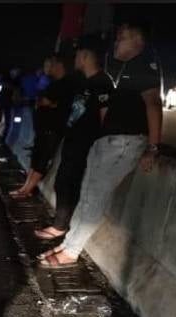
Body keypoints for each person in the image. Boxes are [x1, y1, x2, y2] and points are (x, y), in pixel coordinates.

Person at [38, 18, 163, 268]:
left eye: (123, 37)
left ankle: (71, 252)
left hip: (124, 143)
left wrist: (152, 147)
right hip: (106, 142)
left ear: (137, 42)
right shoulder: (119, 67)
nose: (117, 40)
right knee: (86, 196)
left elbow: (154, 105)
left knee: (95, 198)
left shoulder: (143, 67)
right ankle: (69, 242)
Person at [33, 35, 112, 243]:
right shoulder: (81, 81)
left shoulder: (102, 82)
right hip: (72, 138)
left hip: (84, 142)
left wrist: (100, 142)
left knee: (68, 182)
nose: (75, 60)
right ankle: (59, 221)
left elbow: (106, 116)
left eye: (78, 56)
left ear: (85, 57)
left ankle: (60, 227)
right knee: (62, 181)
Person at [9, 52, 74, 199]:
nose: (46, 67)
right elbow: (42, 100)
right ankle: (25, 187)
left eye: (49, 64)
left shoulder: (64, 84)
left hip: (52, 129)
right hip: (43, 128)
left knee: (42, 159)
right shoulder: (52, 83)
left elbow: (46, 101)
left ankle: (26, 190)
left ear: (58, 65)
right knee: (36, 157)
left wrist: (43, 101)